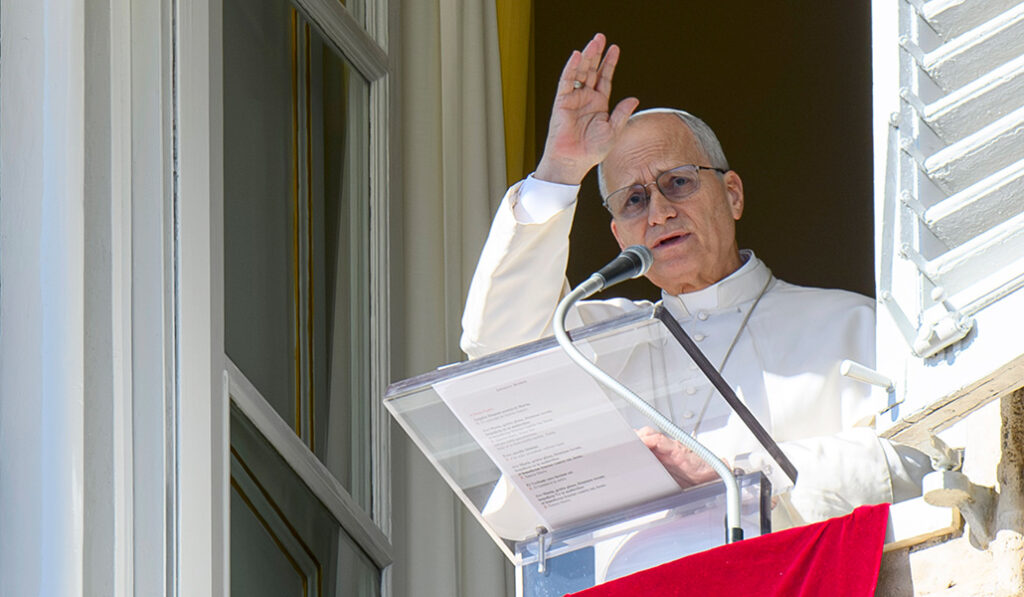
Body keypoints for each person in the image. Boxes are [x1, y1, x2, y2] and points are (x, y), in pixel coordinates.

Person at [461, 33, 930, 529]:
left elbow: (921, 462)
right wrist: (558, 170)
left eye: (678, 182)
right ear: (621, 236)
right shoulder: (593, 345)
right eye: (635, 200)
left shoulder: (853, 325)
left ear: (732, 195)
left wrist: (742, 479)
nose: (660, 212)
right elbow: (496, 346)